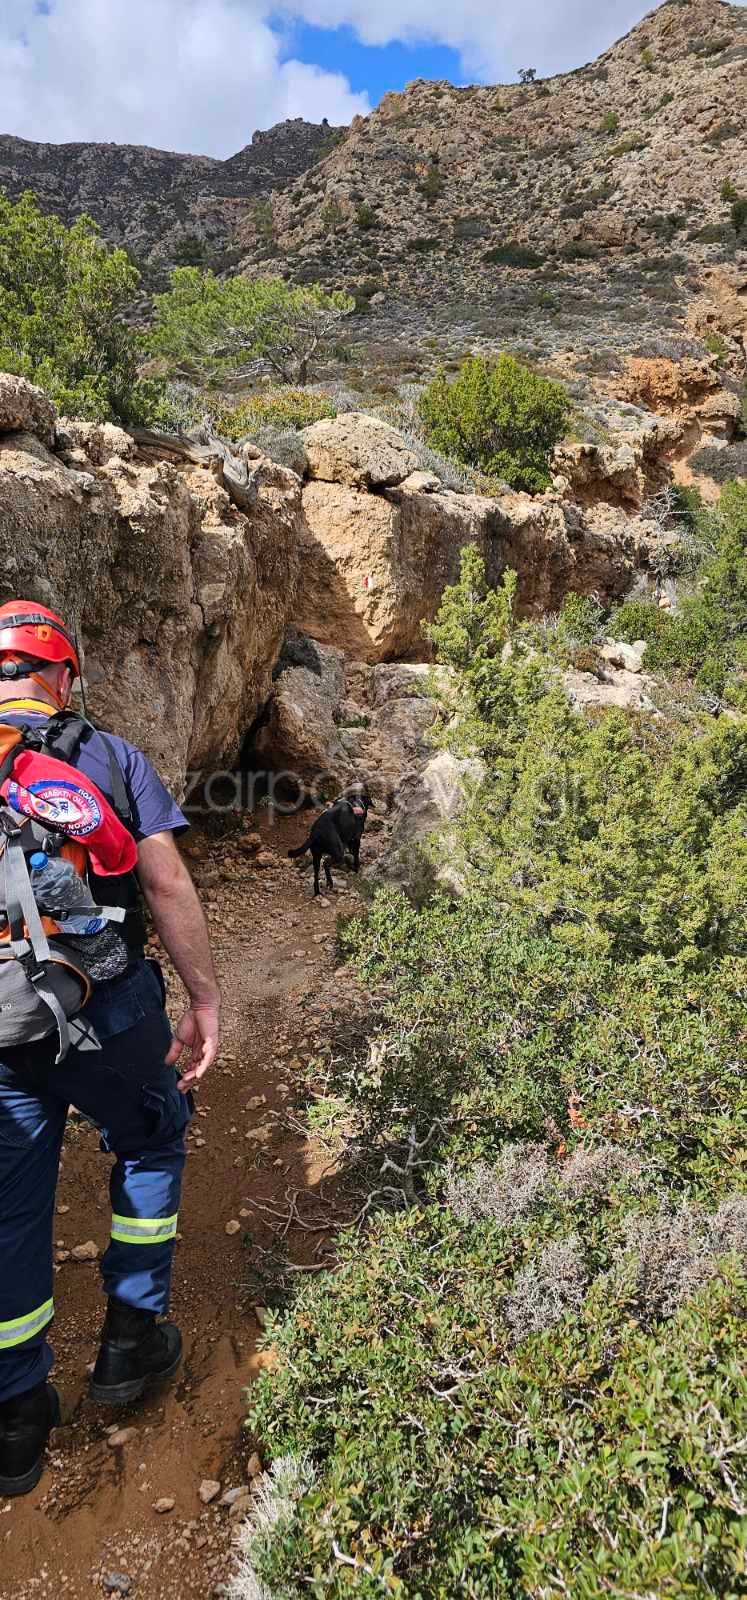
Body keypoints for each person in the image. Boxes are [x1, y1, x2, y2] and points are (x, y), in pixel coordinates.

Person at [0, 600, 220, 1497]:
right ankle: (130, 1341)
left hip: (1, 1022)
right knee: (152, 1135)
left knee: (11, 1209)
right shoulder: (109, 756)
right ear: (65, 674)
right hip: (103, 1009)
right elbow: (164, 885)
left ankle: (16, 1416)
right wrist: (203, 999)